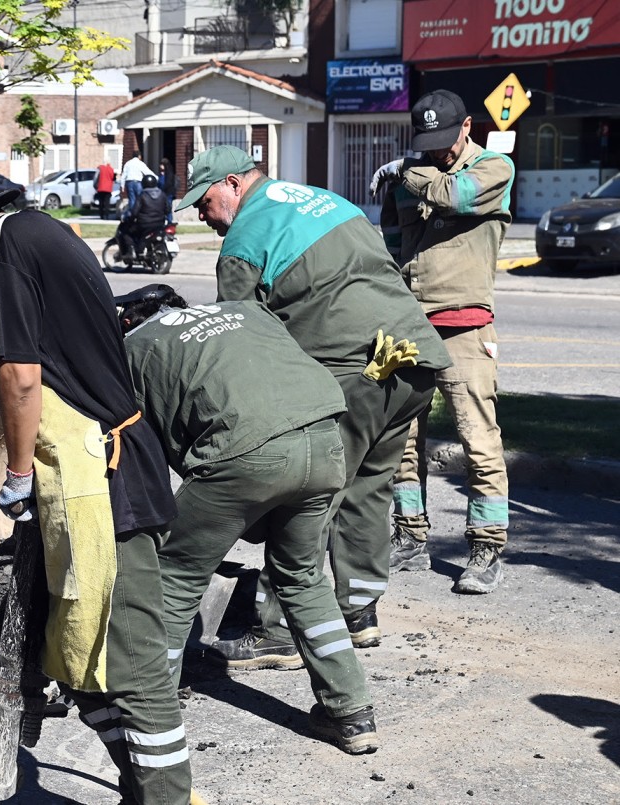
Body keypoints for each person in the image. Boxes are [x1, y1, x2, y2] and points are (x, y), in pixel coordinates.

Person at [0, 175, 190, 804]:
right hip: (89, 467)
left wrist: (16, 474)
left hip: (103, 476)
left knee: (131, 660)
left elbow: (22, 378)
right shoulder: (32, 234)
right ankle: (143, 789)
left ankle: (172, 798)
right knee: (82, 657)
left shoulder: (7, 253)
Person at [178, 145, 450, 670]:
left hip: (354, 372)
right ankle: (357, 611)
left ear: (234, 184)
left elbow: (241, 340)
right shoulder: (323, 200)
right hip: (411, 360)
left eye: (204, 201)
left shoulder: (244, 238)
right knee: (367, 488)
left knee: (306, 496)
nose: (201, 216)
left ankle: (280, 631)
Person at [119, 284, 379, 755]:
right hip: (324, 441)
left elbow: (146, 450)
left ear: (127, 320)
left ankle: (155, 703)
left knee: (176, 577)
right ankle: (352, 712)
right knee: (302, 577)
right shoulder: (245, 311)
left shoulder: (135, 346)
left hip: (244, 454)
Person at [370, 89, 515, 595]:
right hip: (409, 327)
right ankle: (409, 535)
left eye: (445, 141)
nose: (438, 151)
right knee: (401, 442)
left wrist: (407, 171)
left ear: (467, 127)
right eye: (427, 144)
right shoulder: (412, 179)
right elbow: (390, 247)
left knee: (478, 440)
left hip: (465, 328)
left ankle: (486, 546)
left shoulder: (495, 168)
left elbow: (457, 196)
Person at [116, 175, 168, 263]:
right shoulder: (162, 195)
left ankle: (130, 252)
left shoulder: (143, 195)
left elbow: (135, 212)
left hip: (144, 224)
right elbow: (168, 209)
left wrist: (130, 218)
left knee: (126, 232)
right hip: (159, 224)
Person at [120, 150, 154, 219]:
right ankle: (138, 215)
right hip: (138, 182)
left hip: (129, 182)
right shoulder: (140, 163)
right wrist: (155, 177)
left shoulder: (128, 163)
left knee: (132, 199)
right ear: (139, 156)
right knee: (139, 199)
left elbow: (124, 175)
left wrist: (122, 185)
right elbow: (147, 172)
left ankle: (131, 216)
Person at [158, 158, 178, 225]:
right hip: (164, 193)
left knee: (168, 207)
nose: (160, 166)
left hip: (167, 193)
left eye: (161, 164)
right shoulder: (162, 174)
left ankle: (169, 221)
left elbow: (167, 184)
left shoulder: (168, 173)